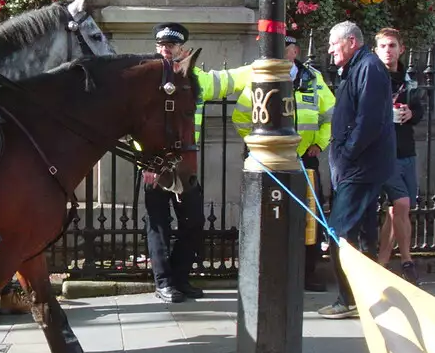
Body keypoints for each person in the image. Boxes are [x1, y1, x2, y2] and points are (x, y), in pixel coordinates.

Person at [143, 22, 250, 304]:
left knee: (194, 222)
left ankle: (179, 278)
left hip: (185, 164)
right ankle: (164, 283)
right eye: (162, 45)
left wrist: (264, 66)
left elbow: (229, 80)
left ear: (183, 49)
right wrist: (147, 164)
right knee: (159, 226)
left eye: (172, 46)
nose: (166, 50)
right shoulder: (147, 77)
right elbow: (136, 126)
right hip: (156, 164)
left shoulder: (196, 78)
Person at [229, 32, 335, 289]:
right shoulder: (261, 77)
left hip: (304, 160)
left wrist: (319, 143)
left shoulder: (314, 79)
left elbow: (331, 115)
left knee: (308, 220)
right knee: (270, 217)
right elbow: (241, 118)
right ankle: (269, 274)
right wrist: (258, 146)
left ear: (294, 52)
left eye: (282, 48)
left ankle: (307, 274)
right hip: (270, 163)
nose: (275, 53)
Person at [318, 21, 397, 319]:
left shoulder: (369, 68)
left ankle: (348, 298)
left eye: (333, 43)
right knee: (363, 234)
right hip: (356, 167)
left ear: (351, 42)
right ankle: (366, 296)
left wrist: (348, 153)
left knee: (338, 232)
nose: (329, 50)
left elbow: (369, 120)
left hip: (360, 168)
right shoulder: (357, 68)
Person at [371, 28, 427, 285]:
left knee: (398, 210)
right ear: (376, 50)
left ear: (401, 49)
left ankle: (382, 263)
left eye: (392, 45)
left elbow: (421, 107)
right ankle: (407, 261)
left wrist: (410, 113)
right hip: (384, 151)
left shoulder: (410, 79)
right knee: (401, 204)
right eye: (383, 46)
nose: (388, 50)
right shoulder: (372, 75)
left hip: (406, 149)